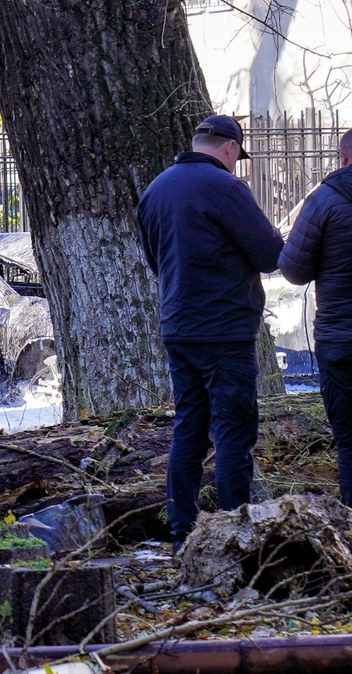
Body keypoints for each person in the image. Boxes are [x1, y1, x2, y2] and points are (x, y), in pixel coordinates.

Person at [136, 114, 284, 550]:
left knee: (190, 429)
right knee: (234, 432)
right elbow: (270, 253)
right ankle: (236, 532)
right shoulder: (225, 188)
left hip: (178, 326)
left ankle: (182, 531)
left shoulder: (155, 189)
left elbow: (155, 261)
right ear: (229, 148)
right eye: (238, 155)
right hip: (224, 331)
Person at [278, 129, 352, 506]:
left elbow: (293, 270)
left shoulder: (324, 200)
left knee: (349, 439)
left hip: (341, 339)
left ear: (343, 157)